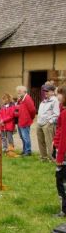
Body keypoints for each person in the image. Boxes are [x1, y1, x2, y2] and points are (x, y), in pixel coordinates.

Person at [52, 86, 66, 217]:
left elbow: (64, 136)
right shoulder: (63, 111)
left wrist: (60, 157)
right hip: (61, 149)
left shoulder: (64, 113)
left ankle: (64, 210)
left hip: (64, 153)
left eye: (59, 94)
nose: (57, 97)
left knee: (61, 180)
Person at [37, 84, 59, 161]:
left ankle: (52, 158)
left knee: (49, 142)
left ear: (52, 92)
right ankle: (43, 157)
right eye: (45, 91)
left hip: (48, 124)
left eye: (47, 91)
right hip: (40, 123)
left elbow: (57, 114)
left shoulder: (55, 100)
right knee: (41, 141)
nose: (45, 92)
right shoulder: (44, 100)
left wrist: (49, 122)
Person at [15, 86, 36, 156]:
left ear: (24, 91)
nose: (18, 93)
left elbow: (32, 110)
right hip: (20, 121)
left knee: (25, 137)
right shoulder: (21, 99)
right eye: (18, 91)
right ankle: (24, 150)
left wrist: (30, 118)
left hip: (25, 121)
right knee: (22, 137)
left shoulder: (27, 98)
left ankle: (28, 151)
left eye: (19, 91)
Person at [0, 93, 18, 157]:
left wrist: (3, 120)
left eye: (5, 99)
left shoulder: (12, 106)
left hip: (9, 125)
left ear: (8, 99)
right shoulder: (3, 106)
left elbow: (11, 116)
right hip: (2, 125)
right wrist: (1, 120)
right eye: (3, 99)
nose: (3, 100)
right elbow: (0, 114)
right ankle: (4, 149)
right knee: (3, 137)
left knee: (9, 138)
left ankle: (11, 149)